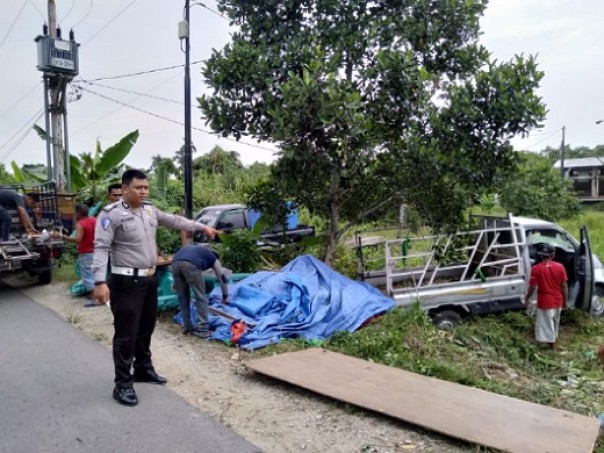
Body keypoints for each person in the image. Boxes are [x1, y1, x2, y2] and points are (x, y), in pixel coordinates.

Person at [92, 169, 219, 407]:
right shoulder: (112, 214)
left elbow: (175, 221)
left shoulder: (149, 210)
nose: (143, 191)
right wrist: (99, 282)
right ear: (125, 188)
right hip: (126, 283)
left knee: (145, 329)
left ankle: (142, 369)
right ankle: (122, 384)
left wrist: (201, 227)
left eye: (146, 188)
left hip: (150, 279)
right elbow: (100, 248)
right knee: (126, 335)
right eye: (138, 188)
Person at [172, 244, 229, 338]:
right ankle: (202, 330)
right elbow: (222, 277)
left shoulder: (197, 250)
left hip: (175, 262)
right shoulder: (213, 258)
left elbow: (180, 264)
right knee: (200, 297)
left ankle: (187, 327)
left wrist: (176, 283)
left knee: (182, 297)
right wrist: (225, 296)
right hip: (190, 264)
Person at [524, 244, 568, 350]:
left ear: (541, 255)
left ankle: (552, 346)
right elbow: (564, 286)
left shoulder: (536, 269)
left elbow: (533, 286)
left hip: (545, 301)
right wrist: (565, 301)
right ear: (552, 255)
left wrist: (527, 298)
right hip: (558, 300)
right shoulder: (560, 267)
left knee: (546, 324)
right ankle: (553, 341)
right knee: (555, 322)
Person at [59, 204, 96, 297]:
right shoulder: (94, 220)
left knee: (88, 276)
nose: (74, 214)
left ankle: (95, 296)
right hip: (97, 251)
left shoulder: (80, 224)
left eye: (75, 212)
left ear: (79, 213)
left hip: (86, 253)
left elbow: (78, 240)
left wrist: (63, 237)